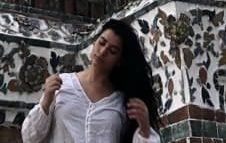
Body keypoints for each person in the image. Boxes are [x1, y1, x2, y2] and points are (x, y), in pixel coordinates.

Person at [21, 19, 161, 143]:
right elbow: (29, 137)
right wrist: (46, 100)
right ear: (94, 43)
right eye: (102, 42)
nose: (103, 51)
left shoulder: (121, 102)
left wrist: (144, 128)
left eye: (112, 51)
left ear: (119, 61)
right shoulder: (61, 85)